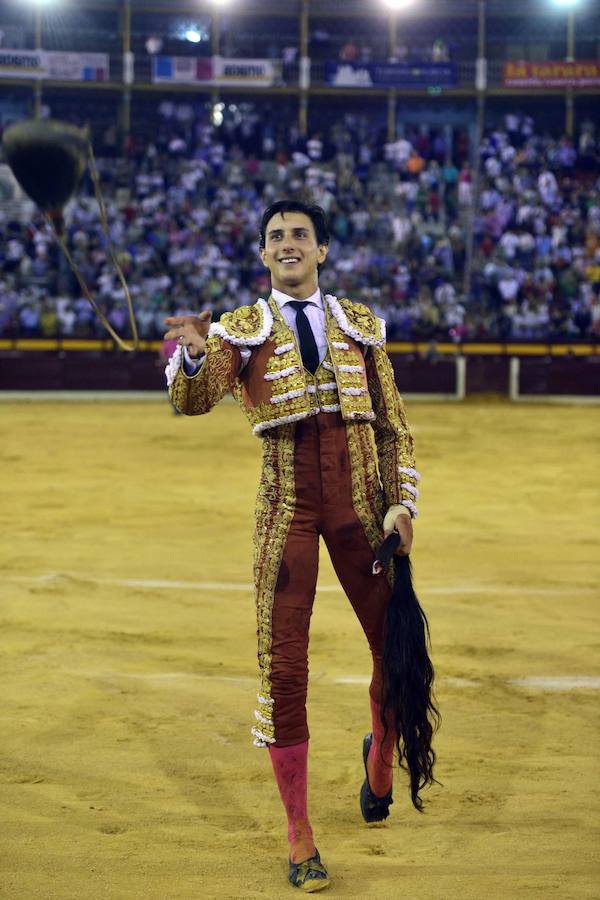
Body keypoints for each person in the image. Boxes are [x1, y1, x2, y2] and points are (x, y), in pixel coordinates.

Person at [163, 200, 437, 892]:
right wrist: (194, 355)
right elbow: (192, 402)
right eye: (276, 237)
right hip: (286, 507)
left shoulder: (360, 326)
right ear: (263, 255)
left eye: (300, 236)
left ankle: (380, 759)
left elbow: (395, 428)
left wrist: (403, 504)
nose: (288, 245)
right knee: (285, 668)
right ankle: (300, 836)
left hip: (361, 504)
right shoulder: (240, 331)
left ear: (320, 252)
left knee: (397, 651)